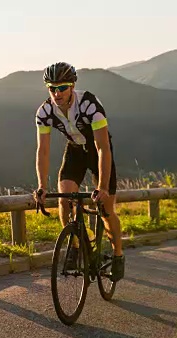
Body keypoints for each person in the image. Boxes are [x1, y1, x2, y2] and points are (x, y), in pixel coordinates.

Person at [33, 62, 124, 282]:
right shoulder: (44, 112)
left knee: (106, 209)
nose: (57, 93)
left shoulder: (89, 104)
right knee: (64, 199)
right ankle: (75, 245)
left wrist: (101, 187)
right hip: (75, 150)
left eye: (62, 87)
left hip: (98, 151)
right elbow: (43, 151)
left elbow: (103, 148)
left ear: (72, 86)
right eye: (51, 88)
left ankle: (118, 255)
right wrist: (42, 187)